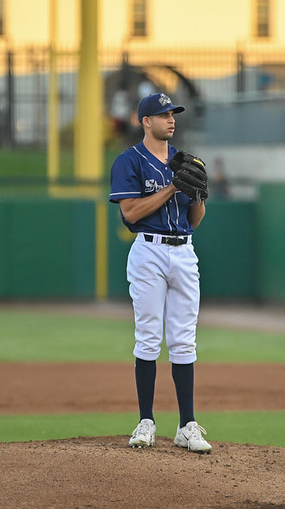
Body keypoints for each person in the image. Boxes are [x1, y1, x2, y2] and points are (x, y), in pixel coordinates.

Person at [108, 92, 212, 453]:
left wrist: (197, 194)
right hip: (149, 251)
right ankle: (146, 421)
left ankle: (187, 425)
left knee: (184, 338)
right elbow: (132, 213)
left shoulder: (185, 161)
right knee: (149, 336)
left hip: (184, 251)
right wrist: (172, 187)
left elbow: (194, 221)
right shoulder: (129, 161)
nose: (171, 119)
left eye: (173, 113)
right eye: (164, 114)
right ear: (145, 121)